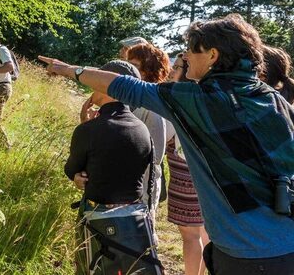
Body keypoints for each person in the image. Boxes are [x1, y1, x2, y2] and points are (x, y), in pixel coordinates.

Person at [40, 14, 294, 274]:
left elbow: (128, 87)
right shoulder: (274, 99)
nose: (185, 57)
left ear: (212, 56)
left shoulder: (197, 100)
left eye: (191, 51)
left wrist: (69, 70)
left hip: (248, 253)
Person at [65, 60, 157, 274]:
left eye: (98, 78)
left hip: (97, 220)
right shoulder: (142, 129)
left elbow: (72, 170)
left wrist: (83, 126)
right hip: (135, 221)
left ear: (109, 85)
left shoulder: (90, 130)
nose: (91, 84)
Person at [165, 53, 209, 275]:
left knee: (190, 237)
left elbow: (162, 139)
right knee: (205, 234)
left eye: (177, 67)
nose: (171, 71)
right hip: (208, 178)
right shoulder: (206, 98)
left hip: (186, 179)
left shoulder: (177, 103)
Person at [126, 43, 169, 213]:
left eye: (134, 65)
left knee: (141, 231)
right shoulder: (129, 98)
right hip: (123, 180)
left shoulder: (153, 105)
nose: (128, 69)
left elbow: (156, 155)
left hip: (143, 183)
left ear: (147, 69)